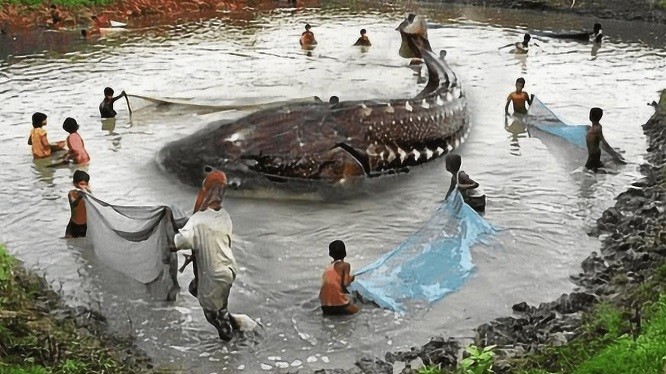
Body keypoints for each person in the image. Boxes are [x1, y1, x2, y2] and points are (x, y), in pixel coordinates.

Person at [173, 170, 238, 341]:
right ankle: (228, 319)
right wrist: (194, 256)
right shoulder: (224, 216)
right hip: (229, 270)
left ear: (205, 190)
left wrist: (167, 233)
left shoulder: (198, 220)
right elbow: (216, 240)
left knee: (212, 315)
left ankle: (229, 347)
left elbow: (178, 243)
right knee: (195, 288)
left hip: (213, 275)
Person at [319, 240, 359, 316]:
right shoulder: (345, 265)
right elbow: (345, 283)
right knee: (357, 311)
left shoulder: (329, 267)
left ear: (330, 254)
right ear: (345, 252)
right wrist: (352, 278)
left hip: (324, 304)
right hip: (338, 302)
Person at [65, 170, 91, 238]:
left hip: (86, 226)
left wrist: (87, 192)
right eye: (81, 184)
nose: (83, 186)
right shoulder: (72, 193)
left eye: (85, 184)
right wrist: (82, 193)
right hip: (73, 226)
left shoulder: (89, 195)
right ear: (75, 184)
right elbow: (74, 203)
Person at [585, 107, 607, 172]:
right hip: (596, 154)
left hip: (592, 156)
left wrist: (614, 153)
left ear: (590, 117)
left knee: (585, 171)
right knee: (597, 171)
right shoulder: (597, 127)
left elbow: (603, 142)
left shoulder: (595, 130)